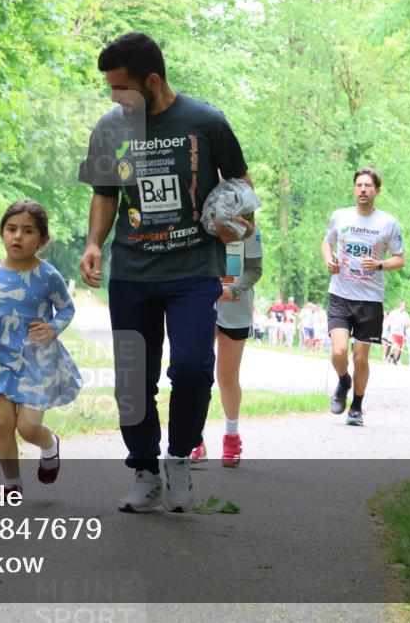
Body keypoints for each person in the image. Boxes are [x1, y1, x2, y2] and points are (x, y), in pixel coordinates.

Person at [78, 32, 254, 513]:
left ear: (152, 81)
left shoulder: (206, 121)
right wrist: (95, 242)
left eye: (122, 88)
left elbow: (240, 183)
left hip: (194, 268)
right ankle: (143, 471)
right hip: (133, 271)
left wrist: (239, 221)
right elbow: (104, 193)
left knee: (194, 368)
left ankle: (178, 458)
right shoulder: (110, 129)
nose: (115, 98)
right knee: (133, 379)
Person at [0, 200, 83, 500]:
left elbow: (66, 309)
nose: (17, 236)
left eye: (27, 231)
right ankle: (12, 483)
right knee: (2, 423)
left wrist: (53, 328)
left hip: (37, 361)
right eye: (11, 229)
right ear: (2, 233)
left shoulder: (48, 276)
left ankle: (49, 445)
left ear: (42, 240)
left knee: (28, 428)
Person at [322, 167, 406, 426]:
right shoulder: (340, 216)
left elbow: (400, 259)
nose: (362, 189)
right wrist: (329, 260)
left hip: (370, 299)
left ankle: (357, 407)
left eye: (368, 186)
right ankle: (344, 380)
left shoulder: (388, 223)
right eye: (359, 185)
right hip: (340, 294)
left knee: (360, 356)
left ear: (377, 191)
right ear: (354, 189)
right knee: (338, 352)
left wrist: (379, 264)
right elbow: (328, 243)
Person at [191, 222, 263, 467]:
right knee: (196, 373)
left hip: (236, 307)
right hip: (202, 303)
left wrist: (233, 290)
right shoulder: (198, 223)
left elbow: (254, 269)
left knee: (227, 376)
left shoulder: (249, 228)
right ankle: (195, 440)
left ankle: (231, 437)